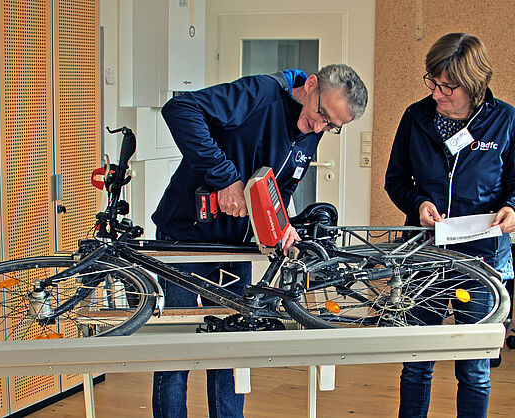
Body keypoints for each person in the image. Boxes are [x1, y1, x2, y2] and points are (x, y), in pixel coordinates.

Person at [151, 64, 368, 418]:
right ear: (311, 85)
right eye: (321, 114)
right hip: (186, 238)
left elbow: (283, 186)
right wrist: (225, 177)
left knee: (232, 347)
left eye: (332, 126)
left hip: (237, 246)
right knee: (176, 351)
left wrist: (283, 226)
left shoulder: (312, 130)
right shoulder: (259, 95)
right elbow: (180, 109)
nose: (319, 128)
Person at [385, 32, 515, 418]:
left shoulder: (504, 120)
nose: (437, 93)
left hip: (481, 259)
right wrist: (419, 203)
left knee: (474, 368)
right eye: (433, 82)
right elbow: (396, 180)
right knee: (416, 362)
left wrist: (511, 207)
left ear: (474, 86)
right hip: (424, 254)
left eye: (448, 87)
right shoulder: (416, 117)